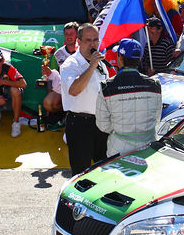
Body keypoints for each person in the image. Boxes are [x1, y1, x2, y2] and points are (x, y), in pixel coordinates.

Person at [95, 39, 163, 157]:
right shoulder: (155, 85)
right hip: (148, 148)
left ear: (120, 57)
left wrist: (120, 129)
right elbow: (157, 118)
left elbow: (102, 125)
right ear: (139, 59)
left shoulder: (106, 86)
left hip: (119, 149)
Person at [60, 23, 110, 174]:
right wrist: (92, 66)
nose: (93, 44)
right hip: (80, 123)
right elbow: (74, 90)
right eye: (88, 40)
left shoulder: (101, 64)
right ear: (79, 42)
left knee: (102, 169)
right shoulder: (71, 64)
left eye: (95, 40)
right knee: (81, 172)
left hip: (100, 123)